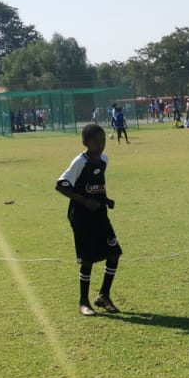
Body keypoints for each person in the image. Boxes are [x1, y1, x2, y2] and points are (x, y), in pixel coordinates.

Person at [57, 123, 123, 315]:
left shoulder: (103, 160)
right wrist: (85, 201)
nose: (101, 145)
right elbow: (61, 185)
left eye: (103, 141)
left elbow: (97, 185)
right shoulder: (80, 162)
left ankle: (103, 295)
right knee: (88, 260)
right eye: (96, 142)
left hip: (100, 214)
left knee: (114, 252)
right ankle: (83, 302)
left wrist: (105, 199)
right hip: (81, 217)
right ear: (85, 143)